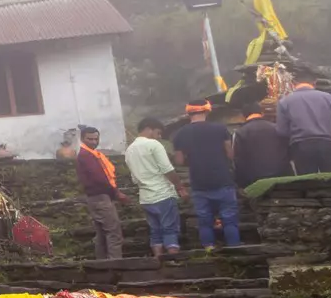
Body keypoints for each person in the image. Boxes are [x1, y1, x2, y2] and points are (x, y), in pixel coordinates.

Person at [172, 102, 241, 248]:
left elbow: (178, 160)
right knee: (229, 218)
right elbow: (230, 154)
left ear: (188, 113)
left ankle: (208, 249)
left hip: (199, 183)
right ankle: (235, 248)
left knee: (204, 220)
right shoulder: (220, 128)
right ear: (207, 111)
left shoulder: (180, 133)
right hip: (223, 179)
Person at [123, 116, 186, 258]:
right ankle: (173, 259)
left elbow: (134, 178)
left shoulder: (129, 150)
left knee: (155, 230)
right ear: (149, 129)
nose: (158, 137)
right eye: (158, 133)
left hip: (146, 198)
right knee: (170, 229)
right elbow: (167, 169)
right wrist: (180, 187)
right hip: (163, 194)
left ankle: (157, 260)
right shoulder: (154, 145)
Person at [71, 125, 129, 260]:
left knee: (102, 234)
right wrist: (116, 193)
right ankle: (116, 264)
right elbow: (100, 178)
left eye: (95, 139)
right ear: (82, 139)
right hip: (100, 197)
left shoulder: (93, 154)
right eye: (89, 139)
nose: (93, 142)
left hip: (97, 198)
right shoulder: (86, 155)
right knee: (114, 233)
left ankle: (102, 264)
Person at [276, 80, 331, 175]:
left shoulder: (285, 101)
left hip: (301, 146)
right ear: (314, 84)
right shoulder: (328, 98)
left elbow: (282, 131)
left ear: (294, 85)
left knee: (307, 182)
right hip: (328, 144)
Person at [232, 103, 294, 187]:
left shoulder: (240, 132)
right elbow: (289, 149)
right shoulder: (276, 127)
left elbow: (238, 160)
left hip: (255, 179)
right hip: (282, 174)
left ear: (244, 116)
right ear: (262, 113)